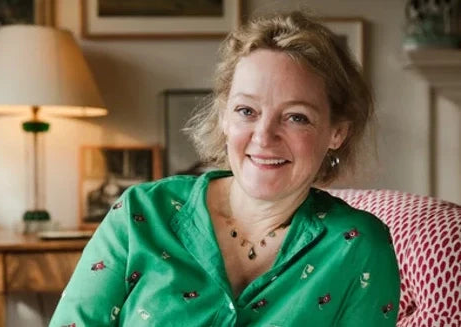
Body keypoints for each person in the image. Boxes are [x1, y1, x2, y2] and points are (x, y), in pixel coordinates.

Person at [50, 10, 400, 326]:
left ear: (337, 132)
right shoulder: (140, 214)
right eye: (247, 111)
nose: (264, 137)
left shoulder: (358, 247)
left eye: (296, 117)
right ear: (223, 118)